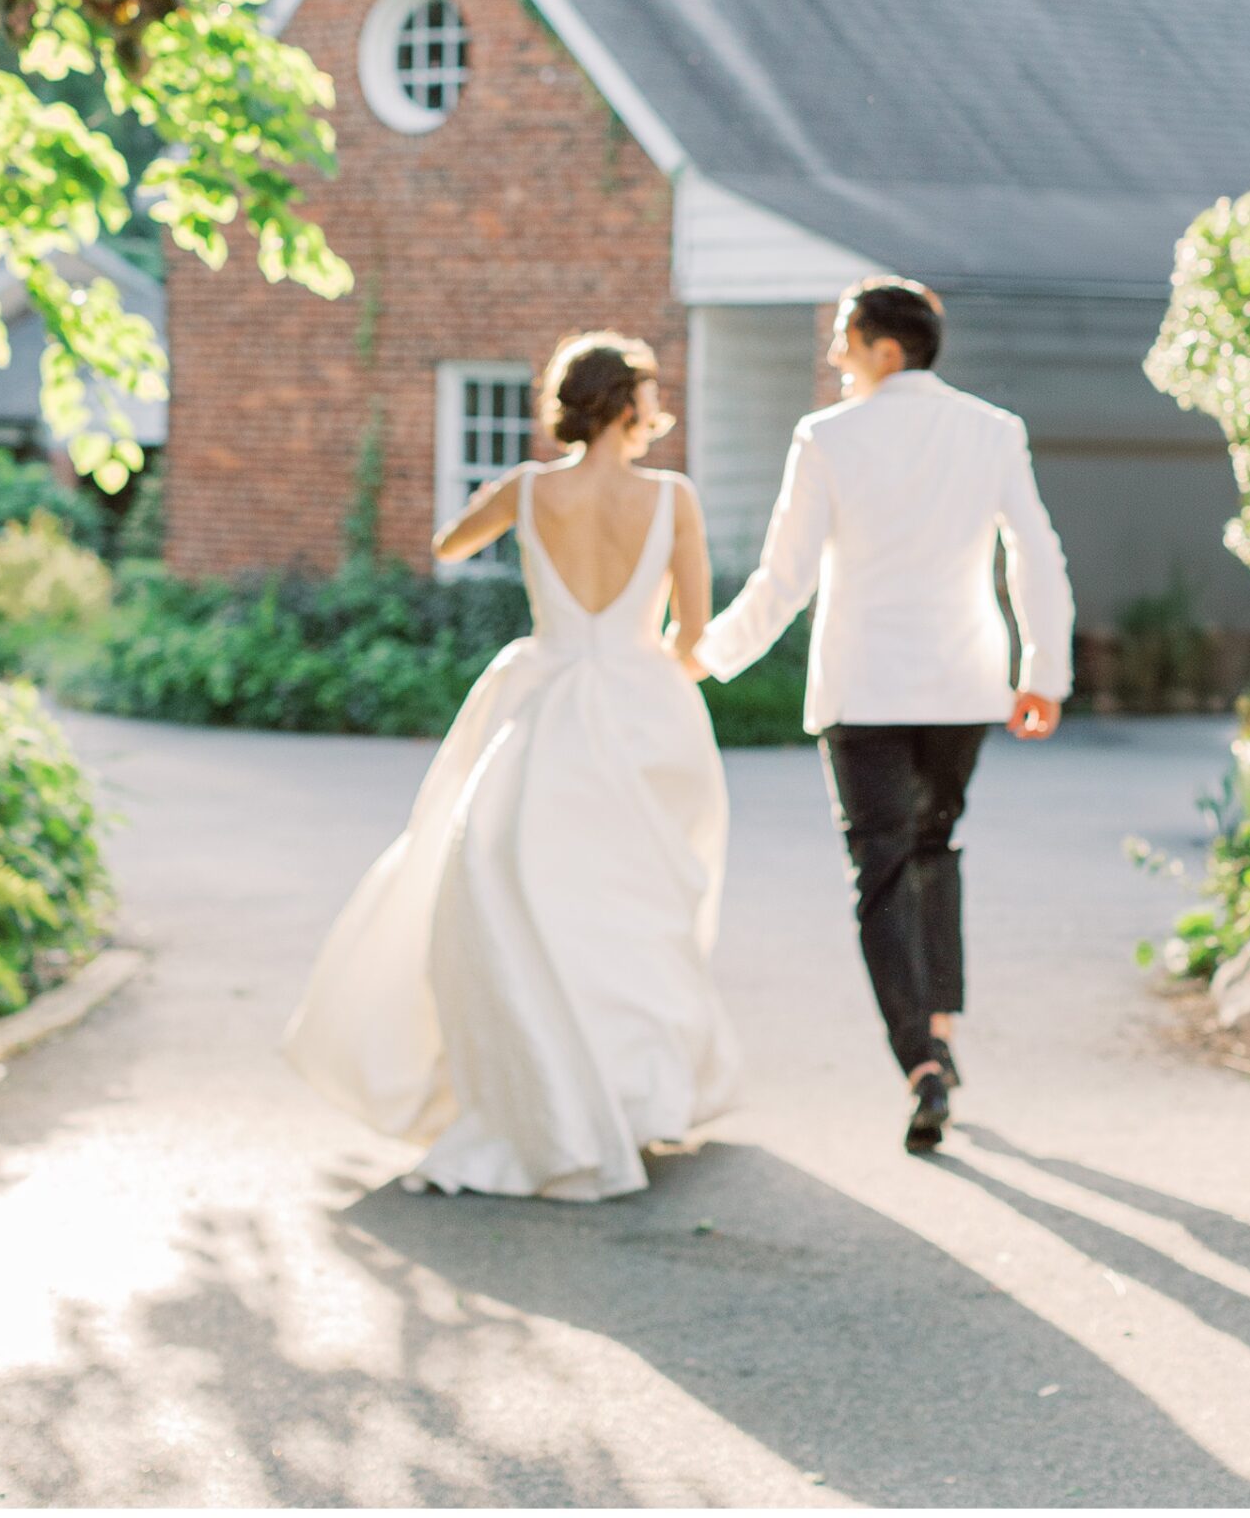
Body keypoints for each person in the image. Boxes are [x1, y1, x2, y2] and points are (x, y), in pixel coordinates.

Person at [282, 332, 738, 1201]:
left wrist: (515, 515)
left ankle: (549, 1097)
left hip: (543, 704)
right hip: (642, 712)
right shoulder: (672, 497)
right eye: (647, 394)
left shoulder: (527, 491)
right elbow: (691, 639)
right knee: (630, 910)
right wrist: (649, 662)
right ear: (628, 404)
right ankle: (631, 1095)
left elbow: (449, 546)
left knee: (520, 896)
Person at [685, 279, 1072, 1154]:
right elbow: (1034, 554)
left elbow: (783, 577)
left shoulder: (825, 438)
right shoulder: (992, 430)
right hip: (963, 685)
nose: (833, 357)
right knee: (934, 850)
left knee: (881, 873)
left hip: (863, 689)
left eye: (842, 340)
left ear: (884, 349)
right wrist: (1043, 672)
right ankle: (939, 1030)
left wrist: (706, 656)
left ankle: (919, 1064)